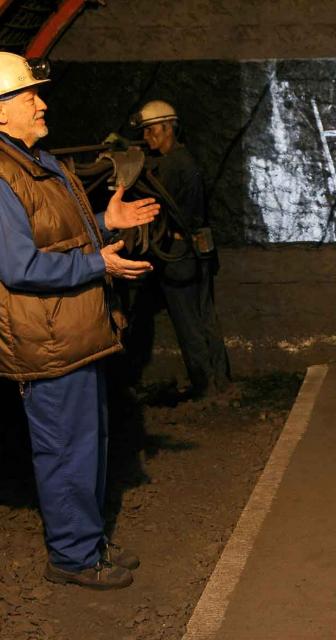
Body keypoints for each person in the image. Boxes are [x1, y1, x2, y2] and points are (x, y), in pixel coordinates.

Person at [0, 53, 160, 589]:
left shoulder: (37, 162)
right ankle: (72, 557)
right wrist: (101, 261)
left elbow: (55, 232)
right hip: (47, 340)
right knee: (65, 450)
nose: (42, 104)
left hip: (74, 330)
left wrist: (102, 221)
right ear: (0, 113)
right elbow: (19, 266)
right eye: (28, 98)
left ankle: (87, 540)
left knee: (88, 443)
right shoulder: (2, 176)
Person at [128, 100, 230, 398]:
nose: (148, 138)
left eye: (151, 131)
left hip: (179, 253)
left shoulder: (171, 166)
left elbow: (156, 203)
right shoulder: (187, 160)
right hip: (199, 251)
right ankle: (221, 381)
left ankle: (204, 386)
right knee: (206, 316)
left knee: (188, 323)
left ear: (167, 128)